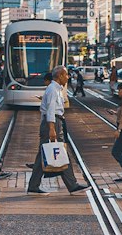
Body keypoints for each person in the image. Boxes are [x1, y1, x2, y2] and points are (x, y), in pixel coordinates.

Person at [28, 65, 87, 193]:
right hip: (53, 122)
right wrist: (52, 128)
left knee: (46, 153)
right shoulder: (53, 89)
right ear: (60, 75)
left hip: (56, 121)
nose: (68, 77)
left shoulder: (56, 89)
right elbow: (50, 110)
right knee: (59, 152)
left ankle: (34, 186)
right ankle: (72, 184)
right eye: (66, 74)